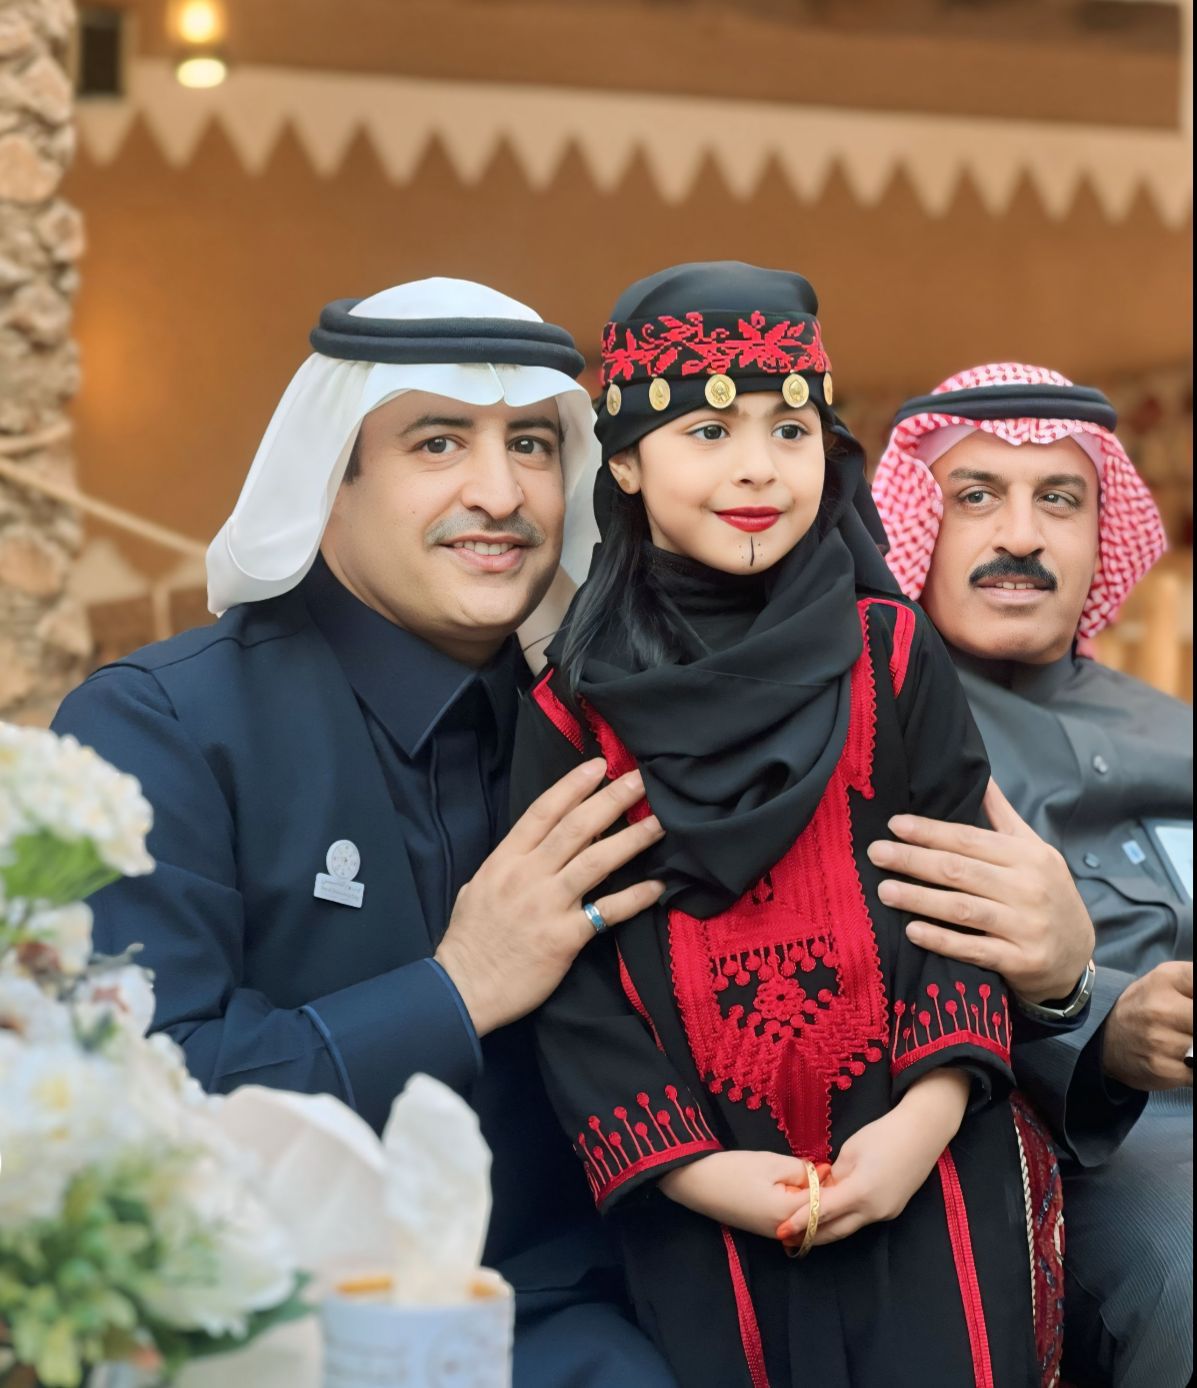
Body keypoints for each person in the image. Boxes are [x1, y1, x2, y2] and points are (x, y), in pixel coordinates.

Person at [51, 279, 681, 1386]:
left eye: (532, 445)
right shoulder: (162, 726)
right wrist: (457, 988)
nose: (500, 493)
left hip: (581, 1326)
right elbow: (140, 1102)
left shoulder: (607, 734)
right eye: (438, 442)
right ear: (330, 476)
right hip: (260, 1333)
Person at [512, 263, 1069, 1388]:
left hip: (930, 1167)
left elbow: (963, 896)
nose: (759, 466)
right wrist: (692, 1170)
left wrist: (920, 1124)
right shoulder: (573, 708)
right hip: (702, 1202)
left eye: (790, 428)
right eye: (709, 430)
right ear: (624, 460)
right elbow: (567, 983)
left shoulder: (889, 653)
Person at [873, 361, 1193, 1388]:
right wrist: (1106, 1026)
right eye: (976, 497)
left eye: (1060, 499)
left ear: (1103, 533)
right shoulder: (875, 726)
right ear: (915, 526)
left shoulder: (1171, 724)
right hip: (1053, 1140)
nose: (1022, 534)